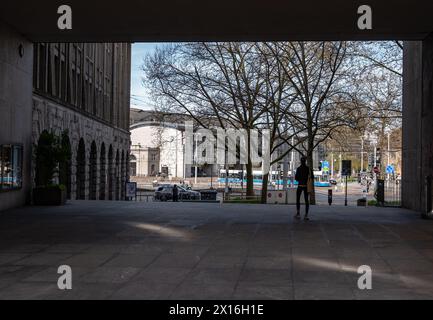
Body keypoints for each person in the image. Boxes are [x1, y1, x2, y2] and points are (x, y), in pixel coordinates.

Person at [295, 156, 310, 221]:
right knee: (306, 201)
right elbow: (311, 176)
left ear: (301, 161)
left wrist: (300, 179)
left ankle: (298, 213)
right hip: (306, 186)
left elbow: (296, 178)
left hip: (300, 186)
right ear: (305, 161)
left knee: (298, 200)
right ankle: (306, 215)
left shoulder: (298, 169)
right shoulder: (308, 169)